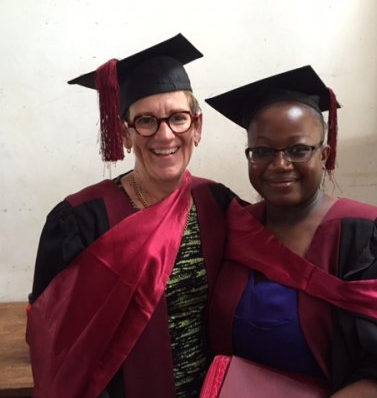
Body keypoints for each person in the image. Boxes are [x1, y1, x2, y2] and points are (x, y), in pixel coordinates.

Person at [27, 34, 234, 398]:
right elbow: (54, 343)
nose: (165, 134)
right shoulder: (78, 222)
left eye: (178, 118)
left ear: (197, 127)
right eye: (146, 121)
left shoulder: (218, 203)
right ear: (125, 134)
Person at [202, 65, 377, 397]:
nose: (279, 164)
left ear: (325, 154)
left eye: (298, 150)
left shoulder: (373, 238)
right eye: (262, 151)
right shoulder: (231, 226)